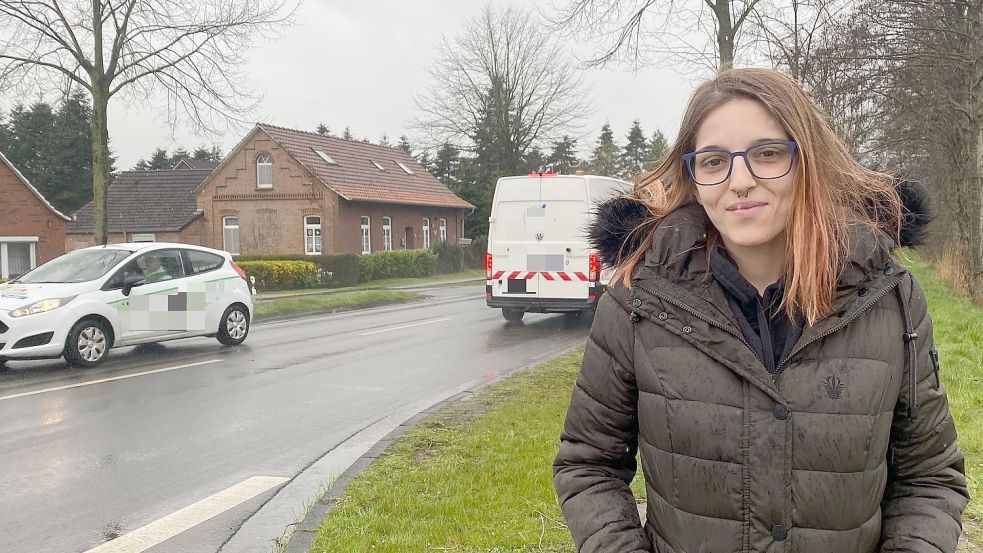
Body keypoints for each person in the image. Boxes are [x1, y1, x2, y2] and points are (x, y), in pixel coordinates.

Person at [553, 68, 968, 553]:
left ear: (807, 160)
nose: (740, 182)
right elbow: (588, 464)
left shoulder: (888, 297)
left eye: (767, 154)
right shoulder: (638, 299)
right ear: (693, 176)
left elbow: (930, 476)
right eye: (713, 162)